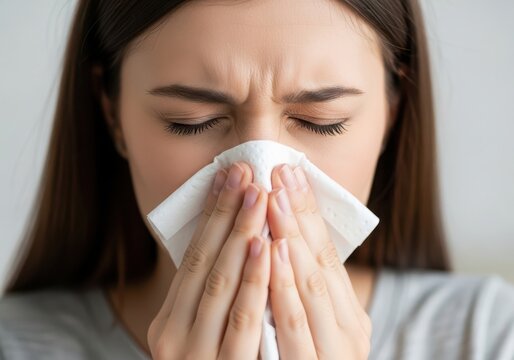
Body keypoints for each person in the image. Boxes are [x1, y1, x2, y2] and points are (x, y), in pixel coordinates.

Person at [1, 0, 513, 359]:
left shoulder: (487, 335)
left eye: (322, 121)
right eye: (191, 120)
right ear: (112, 114)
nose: (262, 184)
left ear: (392, 113)